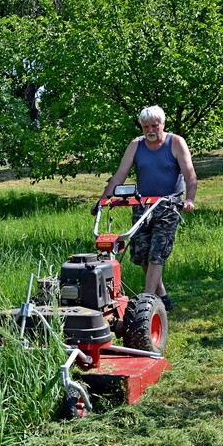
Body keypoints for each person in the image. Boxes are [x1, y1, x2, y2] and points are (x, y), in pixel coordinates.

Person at [94, 105, 197, 311]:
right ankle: (162, 297)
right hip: (142, 205)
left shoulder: (175, 142)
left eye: (154, 126)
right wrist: (102, 200)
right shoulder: (136, 145)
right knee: (141, 254)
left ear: (163, 125)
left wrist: (190, 199)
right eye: (145, 126)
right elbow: (120, 174)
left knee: (157, 253)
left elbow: (190, 174)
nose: (150, 130)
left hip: (169, 205)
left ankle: (146, 303)